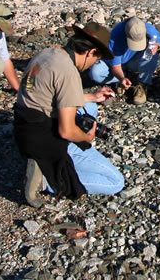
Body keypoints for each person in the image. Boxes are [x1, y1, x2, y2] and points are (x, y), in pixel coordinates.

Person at [13, 22, 125, 208]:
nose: (92, 65)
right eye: (96, 60)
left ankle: (42, 164)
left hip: (24, 127)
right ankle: (46, 181)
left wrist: (93, 96)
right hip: (44, 139)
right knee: (115, 182)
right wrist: (86, 137)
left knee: (90, 107)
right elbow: (66, 131)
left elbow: (49, 91)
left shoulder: (48, 54)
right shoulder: (69, 72)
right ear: (90, 53)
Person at [86, 17, 160, 105]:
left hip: (134, 60)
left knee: (151, 54)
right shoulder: (115, 37)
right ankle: (121, 79)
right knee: (95, 74)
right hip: (115, 63)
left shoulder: (147, 28)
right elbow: (115, 65)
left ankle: (143, 84)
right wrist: (121, 78)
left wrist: (156, 46)